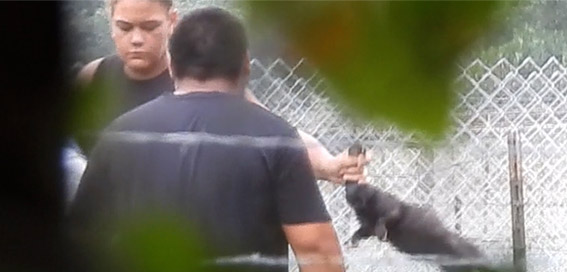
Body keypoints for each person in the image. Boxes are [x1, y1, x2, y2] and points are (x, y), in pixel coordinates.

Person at [70, 6, 360, 272]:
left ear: (173, 66)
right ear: (245, 67)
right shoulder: (274, 137)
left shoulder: (119, 135)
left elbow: (80, 243)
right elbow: (314, 245)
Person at [75, 0, 367, 185]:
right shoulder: (93, 77)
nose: (137, 39)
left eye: (150, 27)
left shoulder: (205, 79)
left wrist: (327, 164)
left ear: (172, 22)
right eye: (125, 27)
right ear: (110, 23)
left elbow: (271, 130)